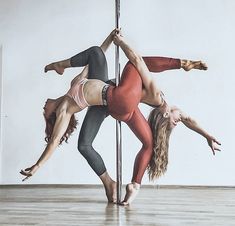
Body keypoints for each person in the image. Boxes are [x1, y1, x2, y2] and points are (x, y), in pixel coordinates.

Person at [20, 30, 221, 205]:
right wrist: (37, 166)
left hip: (118, 103)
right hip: (117, 99)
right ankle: (110, 182)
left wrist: (111, 36)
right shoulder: (64, 110)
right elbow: (54, 141)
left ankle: (135, 185)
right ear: (53, 116)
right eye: (44, 113)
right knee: (133, 65)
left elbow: (97, 53)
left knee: (149, 143)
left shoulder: (75, 83)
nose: (43, 107)